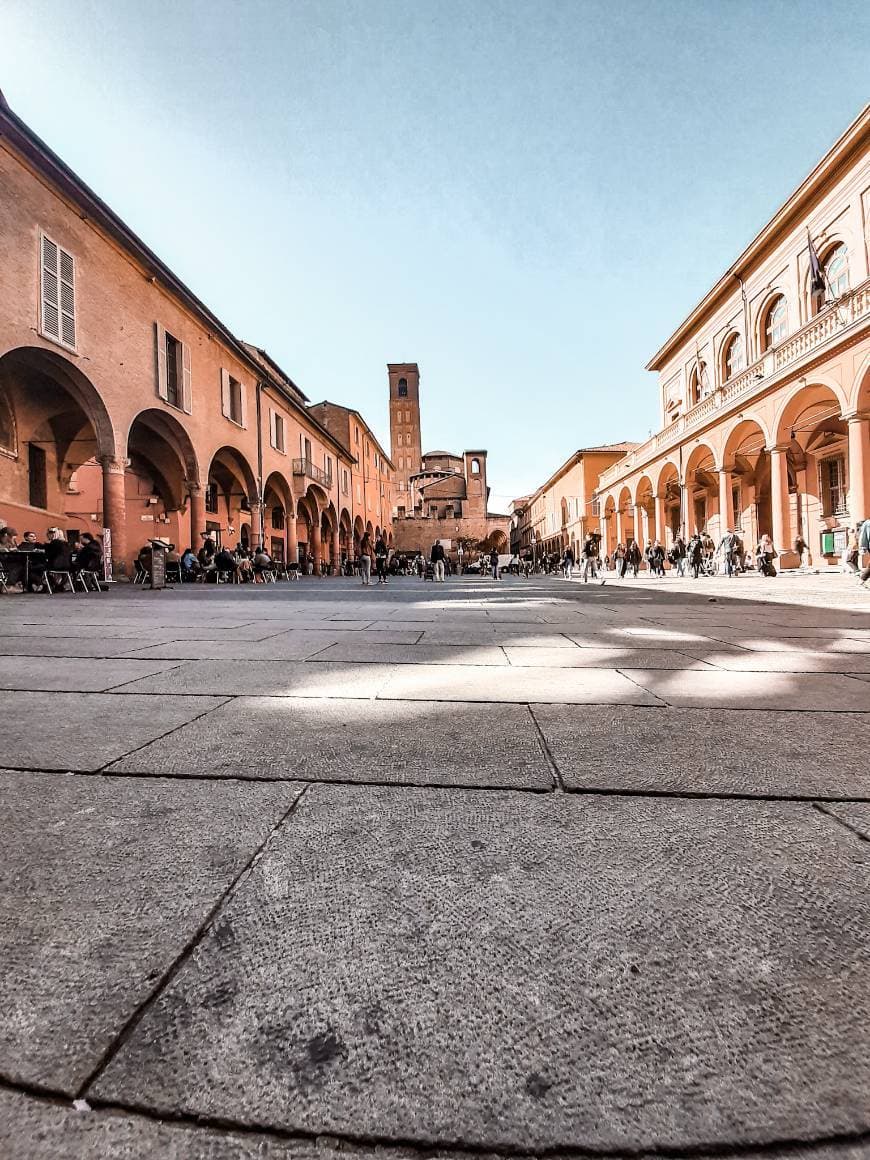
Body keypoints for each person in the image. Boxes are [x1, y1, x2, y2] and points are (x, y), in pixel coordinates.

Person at [858, 517, 870, 587]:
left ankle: (862, 579)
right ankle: (862, 579)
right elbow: (863, 535)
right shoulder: (867, 523)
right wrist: (863, 547)